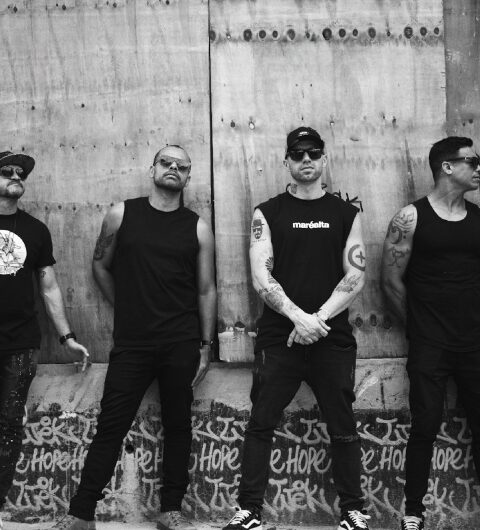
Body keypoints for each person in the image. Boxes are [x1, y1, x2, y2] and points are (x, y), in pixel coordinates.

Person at [55, 145, 217, 530]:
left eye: (181, 166)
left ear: (188, 176)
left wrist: (206, 346)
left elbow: (206, 289)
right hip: (133, 343)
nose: (173, 169)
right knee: (112, 425)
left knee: (178, 426)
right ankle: (81, 514)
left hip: (181, 341)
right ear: (152, 169)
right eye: (166, 163)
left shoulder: (197, 227)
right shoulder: (121, 214)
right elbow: (100, 265)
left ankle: (170, 510)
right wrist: (126, 306)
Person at [223, 127, 369, 530]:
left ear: (324, 159)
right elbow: (261, 276)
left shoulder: (346, 214)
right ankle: (249, 511)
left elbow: (356, 275)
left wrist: (316, 320)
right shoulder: (267, 212)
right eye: (298, 153)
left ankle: (352, 512)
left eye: (314, 153)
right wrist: (299, 319)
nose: (307, 159)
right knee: (261, 423)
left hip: (331, 338)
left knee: (343, 426)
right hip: (279, 338)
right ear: (286, 160)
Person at [381, 136, 480, 530]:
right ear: (447, 167)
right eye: (473, 161)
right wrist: (420, 328)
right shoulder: (410, 218)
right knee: (424, 427)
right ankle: (413, 514)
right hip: (430, 344)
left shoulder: (478, 219)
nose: (478, 168)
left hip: (475, 343)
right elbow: (390, 281)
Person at [0, 151, 89, 528]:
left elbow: (49, 286)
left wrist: (67, 337)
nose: (16, 176)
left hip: (20, 343)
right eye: (6, 171)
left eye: (21, 173)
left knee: (8, 425)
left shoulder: (35, 230)